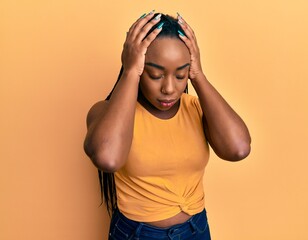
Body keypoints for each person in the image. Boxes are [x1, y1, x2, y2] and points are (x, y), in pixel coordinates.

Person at [83, 11, 251, 240]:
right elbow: (108, 158)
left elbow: (238, 148)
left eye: (181, 75)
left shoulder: (196, 109)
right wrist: (130, 70)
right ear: (140, 69)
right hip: (137, 235)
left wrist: (198, 75)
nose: (169, 88)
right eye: (154, 74)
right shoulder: (105, 113)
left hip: (196, 230)